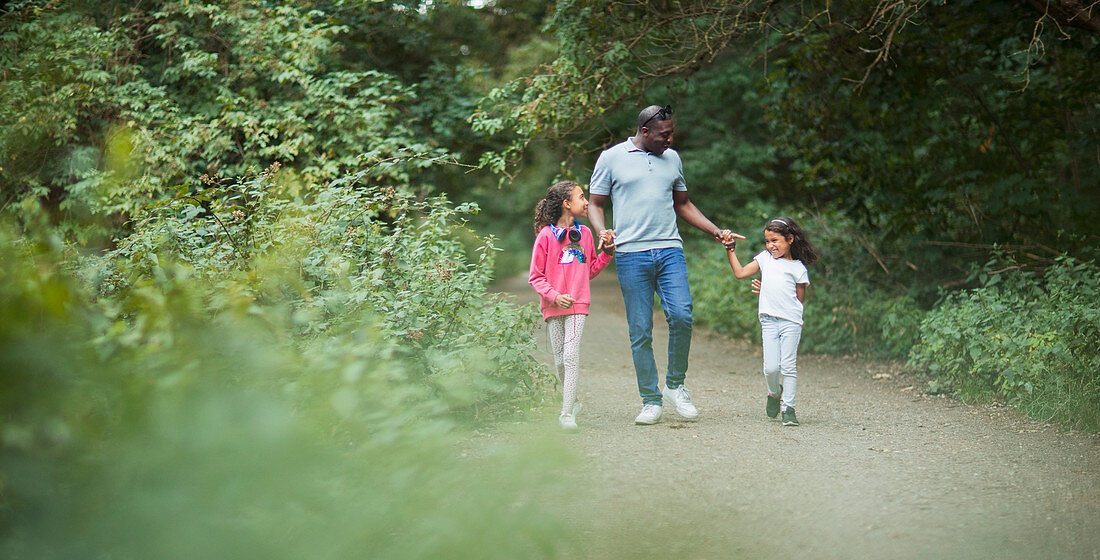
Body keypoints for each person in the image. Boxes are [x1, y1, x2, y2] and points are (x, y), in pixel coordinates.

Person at [588, 104, 742, 425]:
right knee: (640, 329)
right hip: (631, 254)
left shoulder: (671, 158)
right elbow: (596, 203)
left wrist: (716, 231)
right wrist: (602, 230)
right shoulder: (612, 158)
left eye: (672, 133)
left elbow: (683, 203)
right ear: (644, 132)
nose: (669, 140)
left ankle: (675, 385)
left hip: (670, 249)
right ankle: (650, 400)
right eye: (663, 135)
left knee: (682, 316)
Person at [529, 180, 615, 430]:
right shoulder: (546, 236)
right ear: (567, 204)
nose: (587, 201)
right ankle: (572, 400)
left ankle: (566, 414)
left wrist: (607, 253)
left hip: (578, 304)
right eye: (581, 197)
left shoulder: (586, 234)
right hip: (553, 306)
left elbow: (589, 271)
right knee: (558, 360)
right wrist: (554, 296)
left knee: (570, 355)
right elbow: (535, 277)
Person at [726, 217, 819, 426]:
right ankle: (774, 392)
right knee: (770, 368)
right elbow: (740, 273)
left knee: (788, 366)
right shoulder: (765, 259)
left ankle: (789, 408)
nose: (770, 246)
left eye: (775, 240)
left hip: (790, 322)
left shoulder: (798, 268)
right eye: (767, 241)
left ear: (790, 239)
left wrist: (771, 291)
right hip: (768, 320)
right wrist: (730, 250)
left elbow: (797, 300)